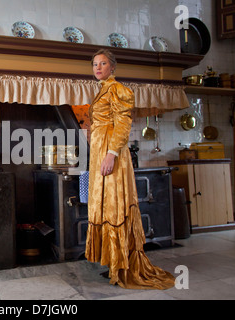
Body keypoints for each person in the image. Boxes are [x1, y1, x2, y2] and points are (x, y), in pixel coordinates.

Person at [85, 49, 175, 290]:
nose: (98, 68)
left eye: (103, 64)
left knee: (115, 207)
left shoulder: (118, 89)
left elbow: (123, 125)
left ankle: (124, 266)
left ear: (112, 67)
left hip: (111, 154)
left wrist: (111, 155)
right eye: (95, 64)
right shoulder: (102, 89)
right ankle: (115, 263)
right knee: (105, 207)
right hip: (100, 153)